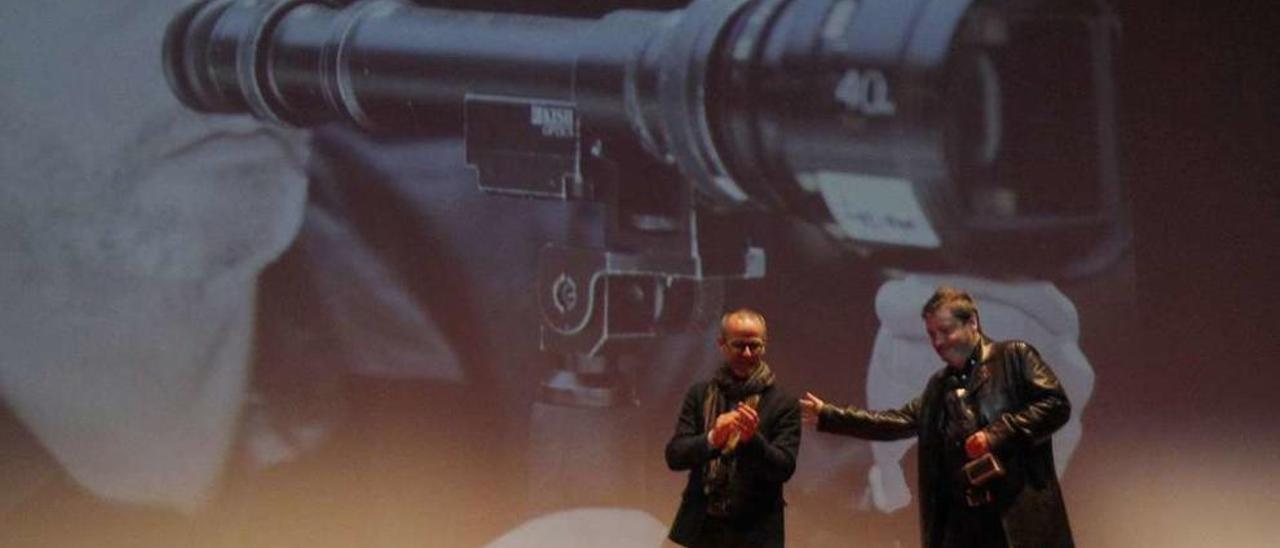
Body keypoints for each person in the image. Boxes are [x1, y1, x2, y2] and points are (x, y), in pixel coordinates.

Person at [800, 287, 1074, 548]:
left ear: (973, 322)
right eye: (931, 334)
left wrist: (996, 434)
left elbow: (1055, 403)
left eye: (945, 331)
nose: (938, 342)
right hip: (963, 528)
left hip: (1016, 521)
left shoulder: (1014, 356)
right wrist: (830, 415)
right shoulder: (938, 387)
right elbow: (895, 421)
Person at [665, 309, 801, 547]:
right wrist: (712, 439)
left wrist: (751, 440)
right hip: (698, 529)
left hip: (756, 534)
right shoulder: (700, 395)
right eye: (739, 345)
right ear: (722, 345)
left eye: (754, 345)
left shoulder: (783, 403)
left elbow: (784, 468)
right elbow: (675, 456)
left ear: (765, 346)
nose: (747, 353)